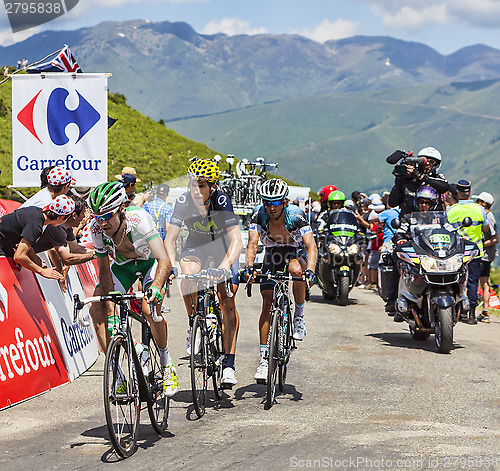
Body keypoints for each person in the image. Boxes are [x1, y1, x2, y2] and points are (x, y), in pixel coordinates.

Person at [87, 181, 178, 396]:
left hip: (149, 264)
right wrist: (111, 312)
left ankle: (167, 364)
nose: (102, 222)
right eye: (97, 217)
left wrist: (156, 287)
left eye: (107, 216)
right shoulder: (97, 230)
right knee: (97, 309)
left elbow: (163, 259)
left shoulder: (140, 220)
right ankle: (118, 374)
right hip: (123, 268)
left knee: (149, 310)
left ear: (121, 209)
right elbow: (104, 272)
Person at [164, 159, 242, 389]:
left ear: (212, 186)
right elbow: (170, 238)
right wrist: (171, 265)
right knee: (187, 277)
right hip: (196, 247)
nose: (196, 191)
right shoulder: (183, 202)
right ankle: (194, 324)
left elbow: (237, 240)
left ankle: (229, 363)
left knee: (227, 300)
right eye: (192, 185)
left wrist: (225, 266)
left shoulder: (221, 201)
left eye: (201, 185)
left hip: (223, 250)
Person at [243, 178, 317, 383]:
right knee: (267, 302)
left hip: (295, 250)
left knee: (295, 270)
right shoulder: (260, 214)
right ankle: (264, 360)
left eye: (275, 202)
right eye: (266, 202)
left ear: (284, 202)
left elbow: (311, 246)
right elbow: (252, 243)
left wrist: (309, 271)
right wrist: (249, 268)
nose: (270, 207)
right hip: (273, 252)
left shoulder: (296, 215)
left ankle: (299, 315)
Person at [391, 186, 440, 322]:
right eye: (421, 202)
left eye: (427, 203)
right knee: (400, 265)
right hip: (414, 254)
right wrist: (400, 239)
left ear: (433, 204)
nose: (424, 205)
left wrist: (458, 238)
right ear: (416, 202)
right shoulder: (409, 218)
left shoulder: (438, 219)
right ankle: (397, 300)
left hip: (434, 255)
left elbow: (450, 231)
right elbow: (399, 232)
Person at [0, 195, 75, 280]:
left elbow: (24, 240)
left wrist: (35, 258)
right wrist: (41, 271)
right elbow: (19, 256)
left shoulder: (35, 212)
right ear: (60, 217)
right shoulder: (36, 226)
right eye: (66, 219)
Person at [446, 180, 489, 325]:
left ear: (457, 193)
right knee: (472, 282)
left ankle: (455, 311)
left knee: (455, 280)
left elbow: (446, 230)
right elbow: (486, 229)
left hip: (457, 252)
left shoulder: (452, 210)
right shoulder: (480, 209)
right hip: (475, 252)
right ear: (469, 192)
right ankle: (471, 314)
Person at [388, 146, 449, 217]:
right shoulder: (408, 180)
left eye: (431, 162)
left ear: (436, 165)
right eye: (424, 161)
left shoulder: (437, 178)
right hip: (408, 223)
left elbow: (445, 186)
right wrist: (399, 180)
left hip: (432, 223)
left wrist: (421, 177)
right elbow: (392, 203)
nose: (427, 164)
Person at [475, 192, 498, 323]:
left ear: (484, 203)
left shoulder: (489, 217)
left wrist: (481, 245)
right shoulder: (487, 215)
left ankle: (481, 310)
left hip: (484, 255)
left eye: (478, 201)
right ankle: (485, 312)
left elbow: (495, 238)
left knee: (478, 282)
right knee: (484, 283)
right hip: (487, 255)